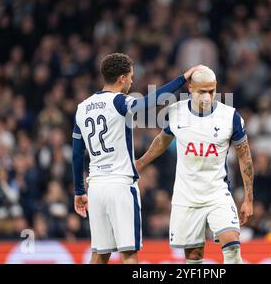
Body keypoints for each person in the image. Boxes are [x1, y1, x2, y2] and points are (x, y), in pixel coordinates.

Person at [72, 53, 197, 264]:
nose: (132, 80)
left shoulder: (82, 107)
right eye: (131, 76)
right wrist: (183, 79)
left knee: (100, 254)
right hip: (120, 185)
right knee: (128, 253)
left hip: (95, 187)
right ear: (122, 78)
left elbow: (76, 154)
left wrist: (78, 191)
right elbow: (152, 101)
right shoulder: (120, 102)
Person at [136, 65, 254, 264]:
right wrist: (140, 163)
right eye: (202, 91)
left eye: (211, 91)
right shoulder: (175, 112)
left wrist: (249, 199)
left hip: (217, 193)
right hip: (186, 197)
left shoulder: (230, 116)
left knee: (232, 247)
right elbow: (162, 141)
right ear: (190, 88)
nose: (207, 97)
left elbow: (246, 158)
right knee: (194, 257)